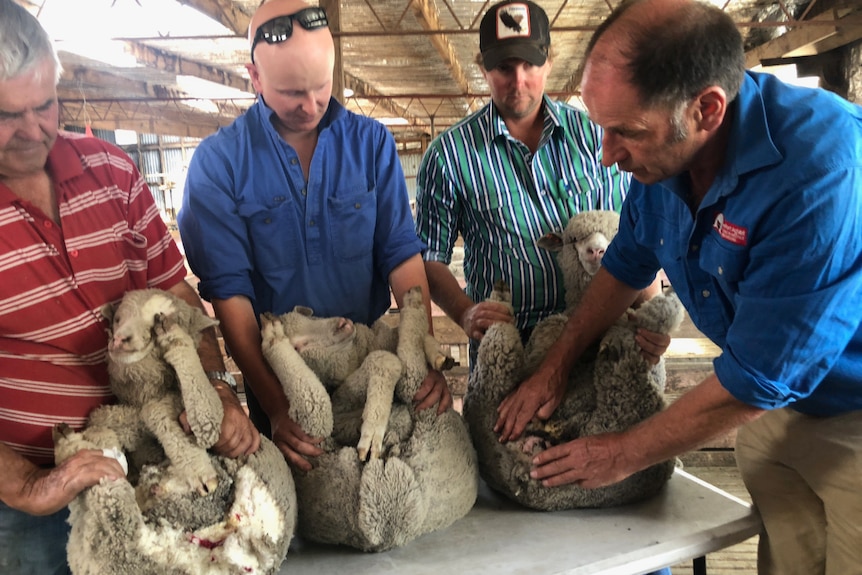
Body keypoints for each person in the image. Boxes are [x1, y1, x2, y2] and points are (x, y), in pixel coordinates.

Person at [496, 1, 862, 574]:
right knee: (791, 559)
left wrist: (619, 455)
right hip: (774, 418)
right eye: (602, 129)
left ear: (707, 109)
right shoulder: (663, 162)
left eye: (627, 133)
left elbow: (761, 374)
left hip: (849, 416)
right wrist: (557, 365)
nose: (608, 156)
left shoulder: (819, 168)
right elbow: (626, 264)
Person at [0, 2, 259, 573]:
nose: (33, 130)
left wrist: (215, 390)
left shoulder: (113, 173)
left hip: (150, 462)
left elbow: (182, 298)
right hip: (32, 501)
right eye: (6, 115)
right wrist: (32, 485)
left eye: (44, 106)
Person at [177, 0, 452, 473]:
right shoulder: (218, 164)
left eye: (322, 87)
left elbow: (403, 259)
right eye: (291, 93)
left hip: (366, 365)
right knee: (298, 510)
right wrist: (278, 405)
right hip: (280, 375)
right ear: (256, 78)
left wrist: (420, 355)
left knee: (379, 489)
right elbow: (231, 298)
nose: (310, 105)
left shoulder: (371, 144)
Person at [414, 0, 667, 369]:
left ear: (549, 62)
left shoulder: (596, 137)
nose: (519, 81)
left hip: (599, 335)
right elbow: (431, 258)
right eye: (503, 67)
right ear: (483, 68)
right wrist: (467, 313)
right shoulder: (448, 156)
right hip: (510, 344)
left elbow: (635, 231)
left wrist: (651, 315)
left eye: (530, 64)